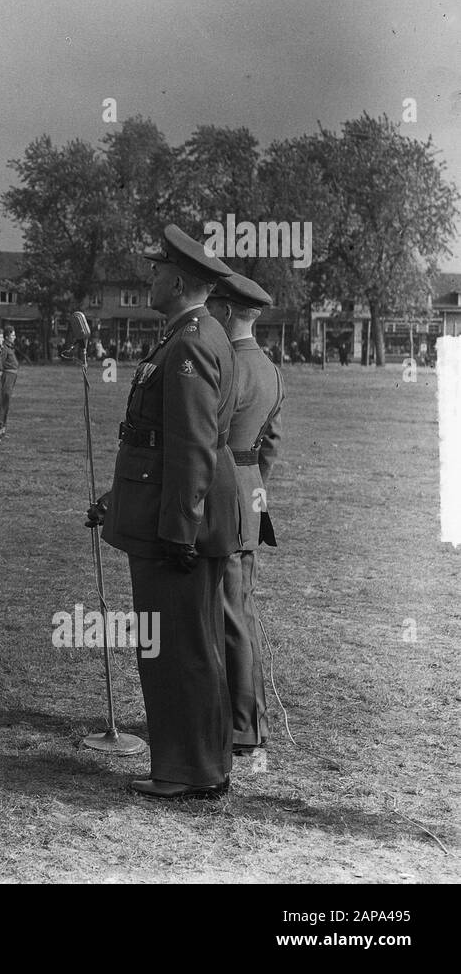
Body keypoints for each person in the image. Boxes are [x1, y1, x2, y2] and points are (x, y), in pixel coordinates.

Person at [88, 224, 239, 800]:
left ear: (178, 281)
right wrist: (117, 503)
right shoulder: (192, 333)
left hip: (178, 524)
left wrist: (180, 530)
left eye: (155, 272)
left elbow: (192, 444)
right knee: (184, 642)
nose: (148, 278)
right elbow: (159, 441)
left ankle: (187, 770)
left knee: (177, 646)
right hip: (170, 513)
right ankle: (199, 764)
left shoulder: (191, 342)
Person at [206, 272, 283, 760]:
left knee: (227, 616)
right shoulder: (272, 369)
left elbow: (205, 438)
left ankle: (240, 726)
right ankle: (242, 719)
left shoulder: (224, 364)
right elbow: (271, 446)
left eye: (215, 307)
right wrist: (253, 489)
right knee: (240, 611)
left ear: (229, 312)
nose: (209, 314)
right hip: (250, 491)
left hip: (220, 492)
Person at [0, 327, 19, 439]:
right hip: (7, 377)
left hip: (11, 377)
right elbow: (1, 363)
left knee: (7, 401)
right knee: (4, 400)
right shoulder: (5, 349)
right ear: (6, 337)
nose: (14, 337)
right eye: (12, 335)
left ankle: (2, 428)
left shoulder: (10, 348)